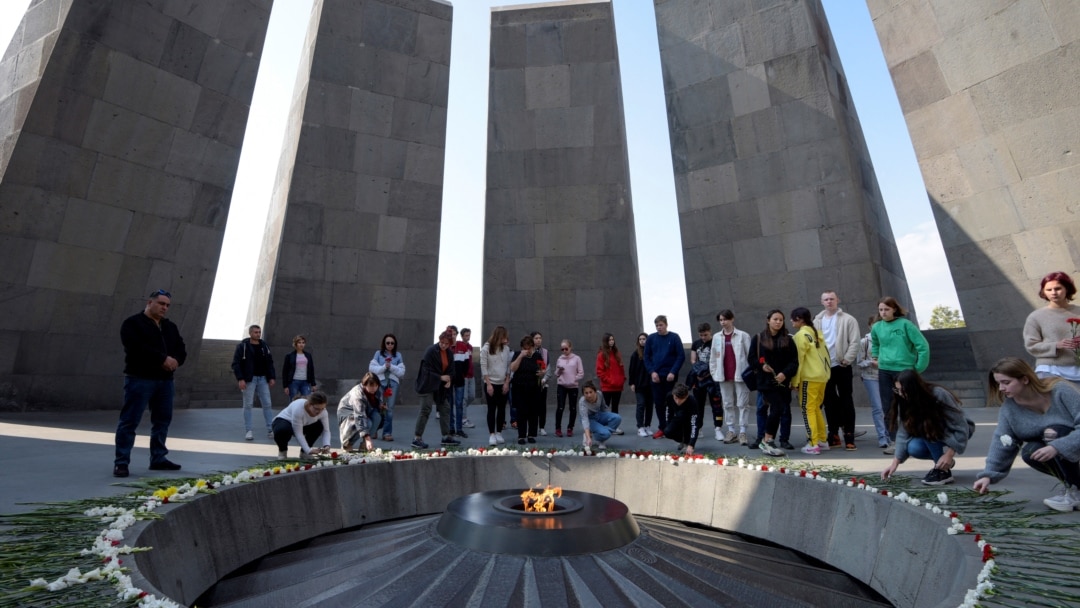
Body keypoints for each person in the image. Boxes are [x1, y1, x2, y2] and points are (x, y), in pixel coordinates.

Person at [974, 357, 1080, 511]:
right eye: (998, 384)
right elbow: (1003, 441)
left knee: (1053, 433)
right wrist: (988, 475)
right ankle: (1075, 488)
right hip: (1062, 450)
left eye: (1006, 382)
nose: (1001, 388)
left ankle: (1074, 490)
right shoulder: (1009, 409)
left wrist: (1057, 447)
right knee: (1030, 452)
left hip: (1073, 444)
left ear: (1024, 379)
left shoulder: (1060, 390)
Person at [113, 289, 187, 477]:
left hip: (165, 382)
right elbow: (135, 348)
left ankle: (158, 458)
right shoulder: (132, 323)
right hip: (139, 379)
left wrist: (176, 360)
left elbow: (181, 348)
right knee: (129, 421)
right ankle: (121, 462)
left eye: (167, 305)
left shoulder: (170, 327)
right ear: (150, 302)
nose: (164, 308)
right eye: (161, 304)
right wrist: (162, 359)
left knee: (162, 421)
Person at [881, 370, 971, 486]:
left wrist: (949, 454)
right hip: (931, 431)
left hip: (956, 430)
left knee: (926, 426)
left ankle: (943, 471)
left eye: (903, 390)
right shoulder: (905, 400)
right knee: (914, 448)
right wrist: (895, 463)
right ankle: (943, 462)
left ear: (913, 388)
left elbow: (961, 425)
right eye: (897, 390)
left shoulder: (938, 394)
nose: (900, 394)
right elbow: (903, 433)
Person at [871, 296, 930, 444]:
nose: (883, 312)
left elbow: (923, 346)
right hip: (884, 370)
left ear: (894, 309)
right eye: (880, 310)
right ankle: (895, 441)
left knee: (908, 406)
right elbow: (876, 344)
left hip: (904, 371)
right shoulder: (877, 327)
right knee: (888, 407)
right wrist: (876, 357)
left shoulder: (906, 325)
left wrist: (918, 368)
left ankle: (913, 437)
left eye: (886, 309)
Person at [813, 291, 861, 449]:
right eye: (826, 299)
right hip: (824, 368)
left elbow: (854, 341)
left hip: (842, 365)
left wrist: (847, 359)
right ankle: (833, 434)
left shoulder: (848, 319)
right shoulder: (816, 321)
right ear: (822, 302)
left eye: (832, 299)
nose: (829, 302)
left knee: (847, 400)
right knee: (829, 402)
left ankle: (849, 436)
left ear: (837, 300)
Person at [749, 310, 798, 456]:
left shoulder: (788, 340)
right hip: (766, 381)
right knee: (775, 408)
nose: (778, 322)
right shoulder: (758, 338)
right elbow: (751, 359)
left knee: (781, 409)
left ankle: (773, 440)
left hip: (783, 381)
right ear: (768, 320)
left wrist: (785, 374)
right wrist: (761, 366)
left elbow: (794, 361)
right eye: (775, 319)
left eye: (781, 320)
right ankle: (767, 440)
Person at [1023, 271, 1080, 385]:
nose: (1053, 293)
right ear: (1043, 292)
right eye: (1048, 290)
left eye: (1058, 288)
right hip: (1050, 369)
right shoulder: (1036, 317)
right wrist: (1056, 345)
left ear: (1067, 289)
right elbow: (1031, 345)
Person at [791, 307, 831, 455]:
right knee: (815, 409)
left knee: (808, 410)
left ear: (799, 319)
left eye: (793, 318)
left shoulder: (801, 335)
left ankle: (813, 443)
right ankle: (822, 440)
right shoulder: (816, 334)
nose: (791, 321)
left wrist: (795, 381)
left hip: (809, 377)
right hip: (821, 377)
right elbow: (826, 356)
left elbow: (799, 360)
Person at [709, 310, 751, 446]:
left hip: (740, 374)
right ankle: (731, 430)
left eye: (725, 319)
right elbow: (713, 357)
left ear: (732, 319)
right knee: (727, 403)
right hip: (723, 374)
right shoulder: (716, 337)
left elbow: (750, 355)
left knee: (742, 403)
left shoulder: (743, 335)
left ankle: (743, 432)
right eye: (721, 320)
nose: (723, 322)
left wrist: (749, 372)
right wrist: (714, 373)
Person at [413, 329, 459, 449]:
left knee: (445, 408)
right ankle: (417, 437)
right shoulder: (431, 351)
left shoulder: (449, 353)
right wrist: (440, 377)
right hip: (427, 384)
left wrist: (449, 379)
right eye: (441, 342)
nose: (443, 345)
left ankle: (446, 436)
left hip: (440, 387)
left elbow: (452, 370)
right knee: (426, 409)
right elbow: (425, 370)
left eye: (446, 343)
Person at [232, 324, 277, 441]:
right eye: (256, 332)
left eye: (259, 332)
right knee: (248, 405)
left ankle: (270, 429)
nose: (258, 334)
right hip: (249, 380)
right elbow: (236, 363)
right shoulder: (243, 346)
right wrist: (240, 379)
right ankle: (249, 431)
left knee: (267, 404)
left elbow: (270, 362)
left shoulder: (264, 346)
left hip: (263, 379)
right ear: (250, 333)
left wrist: (271, 377)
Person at [645, 315, 685, 438]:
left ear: (666, 325)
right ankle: (662, 427)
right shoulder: (651, 338)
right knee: (658, 403)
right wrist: (652, 372)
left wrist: (673, 371)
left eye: (661, 325)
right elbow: (646, 357)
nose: (659, 328)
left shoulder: (674, 337)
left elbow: (680, 356)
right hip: (656, 377)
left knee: (673, 402)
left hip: (670, 376)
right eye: (657, 325)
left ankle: (672, 426)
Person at [857, 315, 890, 450]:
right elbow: (859, 362)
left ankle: (890, 435)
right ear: (870, 326)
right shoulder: (864, 342)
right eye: (874, 324)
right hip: (870, 376)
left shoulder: (888, 339)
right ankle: (882, 437)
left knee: (889, 407)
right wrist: (871, 362)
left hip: (887, 375)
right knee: (878, 407)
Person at [272, 392, 332, 459]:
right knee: (282, 430)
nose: (319, 412)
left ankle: (304, 453)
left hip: (303, 424)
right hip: (285, 421)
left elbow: (326, 431)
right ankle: (282, 451)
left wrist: (326, 445)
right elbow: (298, 433)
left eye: (322, 408)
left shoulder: (323, 412)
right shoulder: (298, 408)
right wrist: (308, 450)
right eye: (316, 409)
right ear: (309, 404)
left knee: (319, 426)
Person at [368, 333, 404, 441]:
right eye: (388, 343)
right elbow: (371, 368)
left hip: (392, 383)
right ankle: (374, 431)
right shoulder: (378, 354)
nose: (390, 345)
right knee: (377, 406)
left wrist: (391, 367)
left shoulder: (398, 355)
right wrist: (384, 367)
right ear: (384, 343)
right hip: (379, 382)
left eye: (392, 343)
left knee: (389, 409)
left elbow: (402, 372)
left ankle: (387, 433)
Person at [480, 326, 512, 446]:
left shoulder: (506, 349)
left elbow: (509, 366)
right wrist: (488, 384)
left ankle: (499, 432)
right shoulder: (486, 348)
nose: (506, 339)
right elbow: (483, 366)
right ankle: (492, 434)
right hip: (491, 383)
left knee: (502, 408)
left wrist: (507, 382)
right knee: (492, 409)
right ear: (499, 336)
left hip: (503, 383)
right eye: (504, 336)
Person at [510, 335, 545, 444]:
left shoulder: (538, 356)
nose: (527, 350)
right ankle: (521, 435)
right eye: (525, 348)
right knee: (521, 411)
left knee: (533, 411)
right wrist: (521, 356)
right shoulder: (517, 355)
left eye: (529, 348)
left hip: (534, 387)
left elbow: (543, 368)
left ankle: (531, 434)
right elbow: (513, 368)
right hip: (520, 387)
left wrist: (542, 372)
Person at [690, 323, 721, 440]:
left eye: (705, 335)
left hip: (713, 378)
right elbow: (693, 360)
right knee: (698, 405)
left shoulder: (716, 342)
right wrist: (699, 372)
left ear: (710, 332)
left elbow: (718, 359)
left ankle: (718, 428)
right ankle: (699, 428)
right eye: (701, 335)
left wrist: (708, 372)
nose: (703, 337)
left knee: (716, 405)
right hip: (699, 378)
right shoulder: (696, 344)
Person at [336, 373, 378, 452]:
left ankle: (364, 445)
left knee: (377, 417)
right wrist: (367, 438)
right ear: (364, 384)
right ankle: (348, 443)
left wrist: (381, 406)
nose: (374, 388)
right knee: (367, 423)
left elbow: (377, 402)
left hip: (365, 410)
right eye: (371, 386)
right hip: (348, 412)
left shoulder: (376, 390)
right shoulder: (357, 394)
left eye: (376, 386)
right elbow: (360, 415)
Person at [596, 333, 626, 435]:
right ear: (605, 341)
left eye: (613, 339)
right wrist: (610, 381)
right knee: (605, 408)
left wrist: (622, 379)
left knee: (615, 407)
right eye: (609, 340)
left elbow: (621, 368)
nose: (612, 341)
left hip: (618, 386)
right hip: (607, 387)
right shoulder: (601, 355)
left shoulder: (617, 353)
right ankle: (604, 426)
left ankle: (614, 427)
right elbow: (600, 372)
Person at [553, 339, 585, 437]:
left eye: (566, 349)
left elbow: (581, 373)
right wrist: (559, 370)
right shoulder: (560, 359)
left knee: (573, 408)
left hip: (573, 386)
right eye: (562, 349)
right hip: (562, 386)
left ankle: (570, 428)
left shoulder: (577, 358)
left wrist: (574, 379)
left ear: (570, 348)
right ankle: (558, 428)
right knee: (560, 407)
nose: (564, 351)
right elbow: (556, 374)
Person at [579, 381, 621, 450]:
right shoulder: (582, 402)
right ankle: (593, 436)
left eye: (590, 392)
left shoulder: (599, 394)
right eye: (586, 393)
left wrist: (607, 419)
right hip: (589, 420)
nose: (589, 395)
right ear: (583, 394)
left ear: (595, 391)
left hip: (599, 415)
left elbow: (603, 408)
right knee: (606, 433)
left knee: (617, 418)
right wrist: (588, 437)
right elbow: (584, 420)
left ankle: (602, 435)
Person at [661, 383, 700, 455]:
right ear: (673, 394)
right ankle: (683, 440)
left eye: (681, 399)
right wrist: (668, 426)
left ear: (686, 396)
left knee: (688, 421)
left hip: (690, 420)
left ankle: (687, 442)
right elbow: (668, 412)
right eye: (676, 398)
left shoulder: (692, 401)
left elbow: (694, 424)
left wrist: (691, 444)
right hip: (678, 417)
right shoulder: (669, 396)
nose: (678, 402)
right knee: (667, 431)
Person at [628, 333, 654, 437]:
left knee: (650, 406)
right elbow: (632, 370)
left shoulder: (651, 353)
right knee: (641, 404)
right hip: (639, 384)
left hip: (650, 384)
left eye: (644, 339)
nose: (642, 341)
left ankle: (647, 425)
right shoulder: (635, 354)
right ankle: (640, 427)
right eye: (640, 339)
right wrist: (632, 383)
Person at [451, 328, 475, 438]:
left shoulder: (467, 347)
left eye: (469, 335)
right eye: (466, 335)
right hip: (454, 380)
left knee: (466, 399)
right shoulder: (449, 347)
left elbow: (467, 363)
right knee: (455, 403)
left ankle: (459, 425)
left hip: (465, 377)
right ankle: (455, 426)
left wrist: (464, 374)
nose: (468, 337)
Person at [282, 335, 316, 400]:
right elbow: (285, 371)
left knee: (306, 401)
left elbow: (311, 370)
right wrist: (285, 386)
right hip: (294, 382)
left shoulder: (308, 355)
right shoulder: (289, 356)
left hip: (305, 381)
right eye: (299, 342)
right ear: (295, 344)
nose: (301, 344)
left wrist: (313, 384)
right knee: (293, 401)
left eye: (303, 343)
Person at [532, 331, 552, 435]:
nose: (538, 340)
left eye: (540, 338)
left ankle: (542, 427)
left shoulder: (545, 352)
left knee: (542, 406)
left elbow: (548, 368)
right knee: (532, 406)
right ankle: (532, 427)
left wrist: (544, 379)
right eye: (536, 338)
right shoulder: (529, 351)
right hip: (532, 383)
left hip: (543, 383)